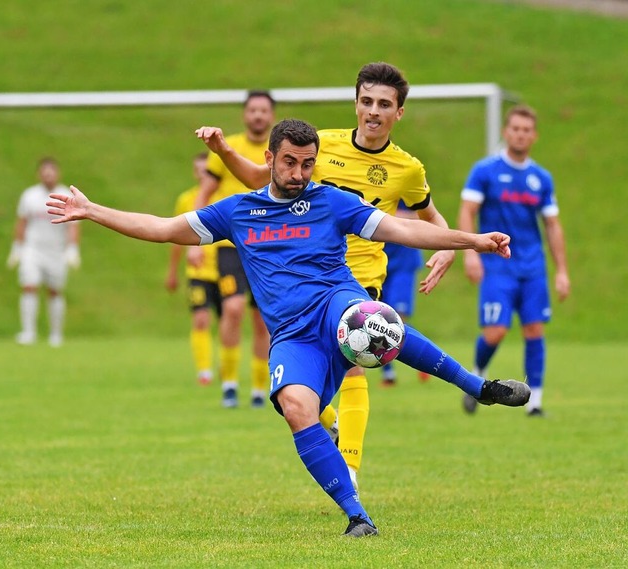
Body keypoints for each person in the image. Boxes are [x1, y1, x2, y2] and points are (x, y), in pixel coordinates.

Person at [47, 118, 530, 537]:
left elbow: (404, 229)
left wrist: (473, 241)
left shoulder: (332, 202)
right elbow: (160, 227)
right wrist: (93, 211)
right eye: (290, 163)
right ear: (270, 158)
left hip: (335, 303)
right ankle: (357, 517)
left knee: (371, 320)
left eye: (307, 164)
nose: (300, 174)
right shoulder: (237, 212)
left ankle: (479, 386)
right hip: (293, 336)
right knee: (296, 408)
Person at [195, 62, 456, 490]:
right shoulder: (322, 145)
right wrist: (224, 152)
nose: (373, 111)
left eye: (384, 104)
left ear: (399, 112)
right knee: (302, 386)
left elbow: (428, 215)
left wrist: (446, 245)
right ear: (355, 104)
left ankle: (349, 468)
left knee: (355, 364)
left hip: (359, 278)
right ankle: (329, 422)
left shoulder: (407, 169)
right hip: (302, 279)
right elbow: (260, 179)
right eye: (367, 101)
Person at [458, 105, 570, 417]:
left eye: (526, 130)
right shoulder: (485, 171)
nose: (520, 134)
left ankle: (534, 403)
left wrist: (562, 271)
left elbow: (552, 225)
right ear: (506, 132)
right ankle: (476, 373)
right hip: (497, 265)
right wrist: (470, 254)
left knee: (534, 330)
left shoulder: (540, 178)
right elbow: (468, 210)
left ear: (533, 136)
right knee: (496, 331)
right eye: (515, 129)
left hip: (532, 267)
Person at [190, 90, 276, 408]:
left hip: (268, 245)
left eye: (263, 111)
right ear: (244, 114)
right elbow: (205, 191)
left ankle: (257, 388)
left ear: (272, 116)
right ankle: (228, 383)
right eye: (253, 110)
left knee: (262, 319)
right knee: (234, 309)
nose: (258, 116)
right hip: (232, 245)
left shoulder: (278, 151)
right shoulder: (226, 149)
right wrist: (194, 240)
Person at [7, 157, 80, 347]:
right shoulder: (29, 195)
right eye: (45, 171)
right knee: (29, 286)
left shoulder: (66, 195)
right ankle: (28, 332)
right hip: (33, 249)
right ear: (39, 174)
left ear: (58, 173)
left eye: (52, 171)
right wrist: (17, 247)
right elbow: (22, 222)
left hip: (56, 250)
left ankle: (56, 334)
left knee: (54, 290)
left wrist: (72, 248)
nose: (48, 175)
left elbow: (73, 225)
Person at [165, 152, 221, 386]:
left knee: (228, 319)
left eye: (204, 168)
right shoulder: (186, 200)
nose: (201, 173)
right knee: (200, 319)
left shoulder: (223, 197)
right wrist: (172, 271)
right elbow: (176, 237)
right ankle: (204, 370)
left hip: (224, 269)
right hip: (197, 272)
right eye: (197, 168)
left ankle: (226, 368)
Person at [380, 201, 429, 387]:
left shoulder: (406, 178)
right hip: (376, 257)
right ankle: (388, 373)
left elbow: (425, 217)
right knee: (376, 316)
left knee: (397, 317)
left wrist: (387, 216)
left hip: (404, 260)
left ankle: (425, 359)